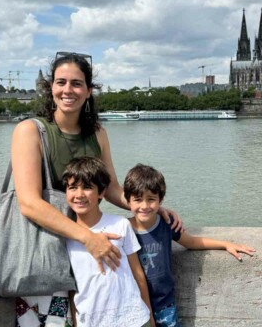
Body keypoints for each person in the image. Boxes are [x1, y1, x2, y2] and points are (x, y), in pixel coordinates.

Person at [11, 52, 182, 327]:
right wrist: (88, 238)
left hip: (89, 247)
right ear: (50, 87)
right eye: (61, 82)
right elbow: (28, 203)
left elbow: (112, 187)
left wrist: (146, 207)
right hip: (47, 251)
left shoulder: (97, 133)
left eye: (77, 84)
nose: (68, 90)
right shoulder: (30, 131)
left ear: (89, 91)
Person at [124, 164, 256, 327]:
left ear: (161, 200)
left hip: (165, 304)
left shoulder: (166, 224)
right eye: (137, 199)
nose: (144, 206)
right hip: (134, 306)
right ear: (128, 200)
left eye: (151, 199)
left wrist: (225, 244)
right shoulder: (123, 229)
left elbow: (191, 242)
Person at [63, 157, 155, 327]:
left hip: (135, 319)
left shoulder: (120, 225)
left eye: (88, 187)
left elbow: (138, 275)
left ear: (102, 192)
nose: (79, 195)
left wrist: (150, 317)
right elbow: (71, 287)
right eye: (72, 187)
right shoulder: (66, 237)